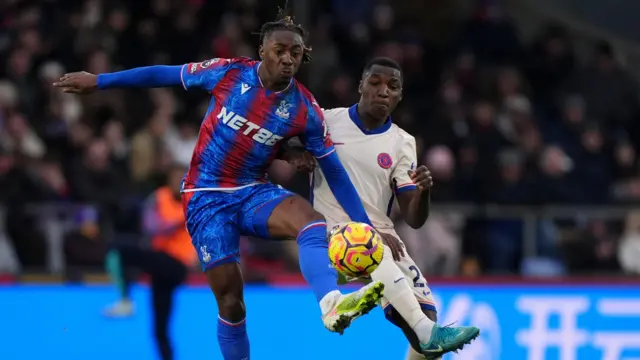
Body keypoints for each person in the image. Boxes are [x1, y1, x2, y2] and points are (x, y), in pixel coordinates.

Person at [54, 9, 386, 360]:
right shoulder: (229, 72)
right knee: (231, 302)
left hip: (252, 191)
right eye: (279, 50)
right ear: (262, 50)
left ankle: (331, 303)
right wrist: (100, 81)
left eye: (295, 53)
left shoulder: (305, 109)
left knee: (311, 220)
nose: (287, 59)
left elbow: (334, 170)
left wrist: (366, 224)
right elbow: (162, 74)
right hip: (205, 198)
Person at [281, 57, 480, 359]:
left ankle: (425, 333)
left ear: (400, 95)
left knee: (425, 325)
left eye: (393, 86)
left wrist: (424, 193)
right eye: (375, 83)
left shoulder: (402, 142)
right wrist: (292, 152)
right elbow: (273, 136)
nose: (383, 91)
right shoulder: (326, 120)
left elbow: (413, 219)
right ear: (361, 85)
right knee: (421, 323)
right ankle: (424, 331)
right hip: (333, 235)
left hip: (383, 235)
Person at [102, 164, 196, 360]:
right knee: (159, 329)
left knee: (120, 248)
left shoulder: (195, 200)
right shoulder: (159, 197)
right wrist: (173, 223)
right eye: (175, 178)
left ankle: (126, 300)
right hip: (158, 262)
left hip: (177, 265)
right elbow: (150, 226)